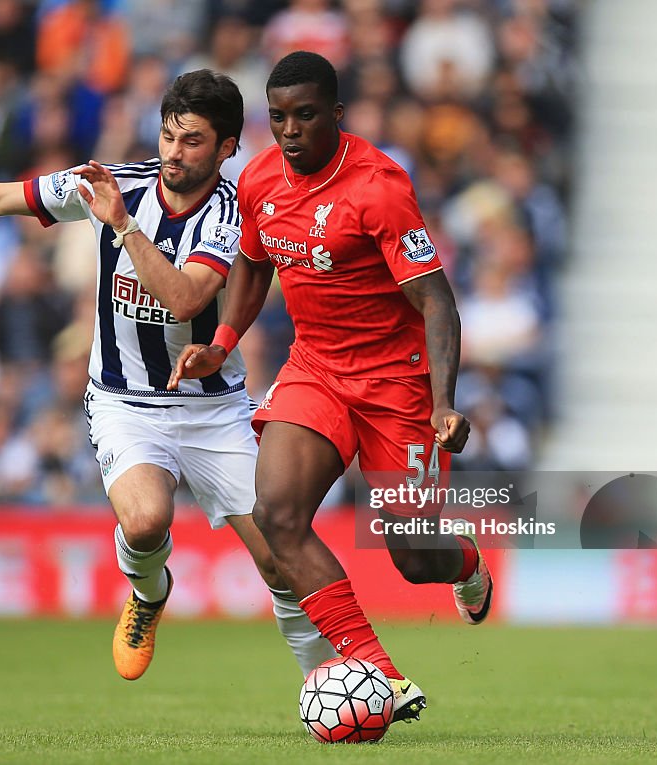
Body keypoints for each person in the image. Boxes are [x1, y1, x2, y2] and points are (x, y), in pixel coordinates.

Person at [0, 69, 335, 682]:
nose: (174, 153)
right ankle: (149, 594)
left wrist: (122, 225)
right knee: (146, 521)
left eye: (193, 141)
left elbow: (183, 300)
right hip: (125, 401)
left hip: (211, 408)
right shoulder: (116, 184)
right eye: (169, 136)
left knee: (281, 563)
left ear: (227, 147)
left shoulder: (232, 213)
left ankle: (323, 683)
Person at [170, 51, 491, 722]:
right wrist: (222, 344)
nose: (290, 131)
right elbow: (254, 268)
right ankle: (378, 670)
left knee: (410, 551)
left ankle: (463, 564)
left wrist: (443, 402)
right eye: (279, 117)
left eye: (306, 116)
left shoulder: (379, 187)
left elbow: (437, 301)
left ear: (336, 116)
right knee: (277, 515)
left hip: (397, 384)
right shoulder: (258, 180)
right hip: (316, 368)